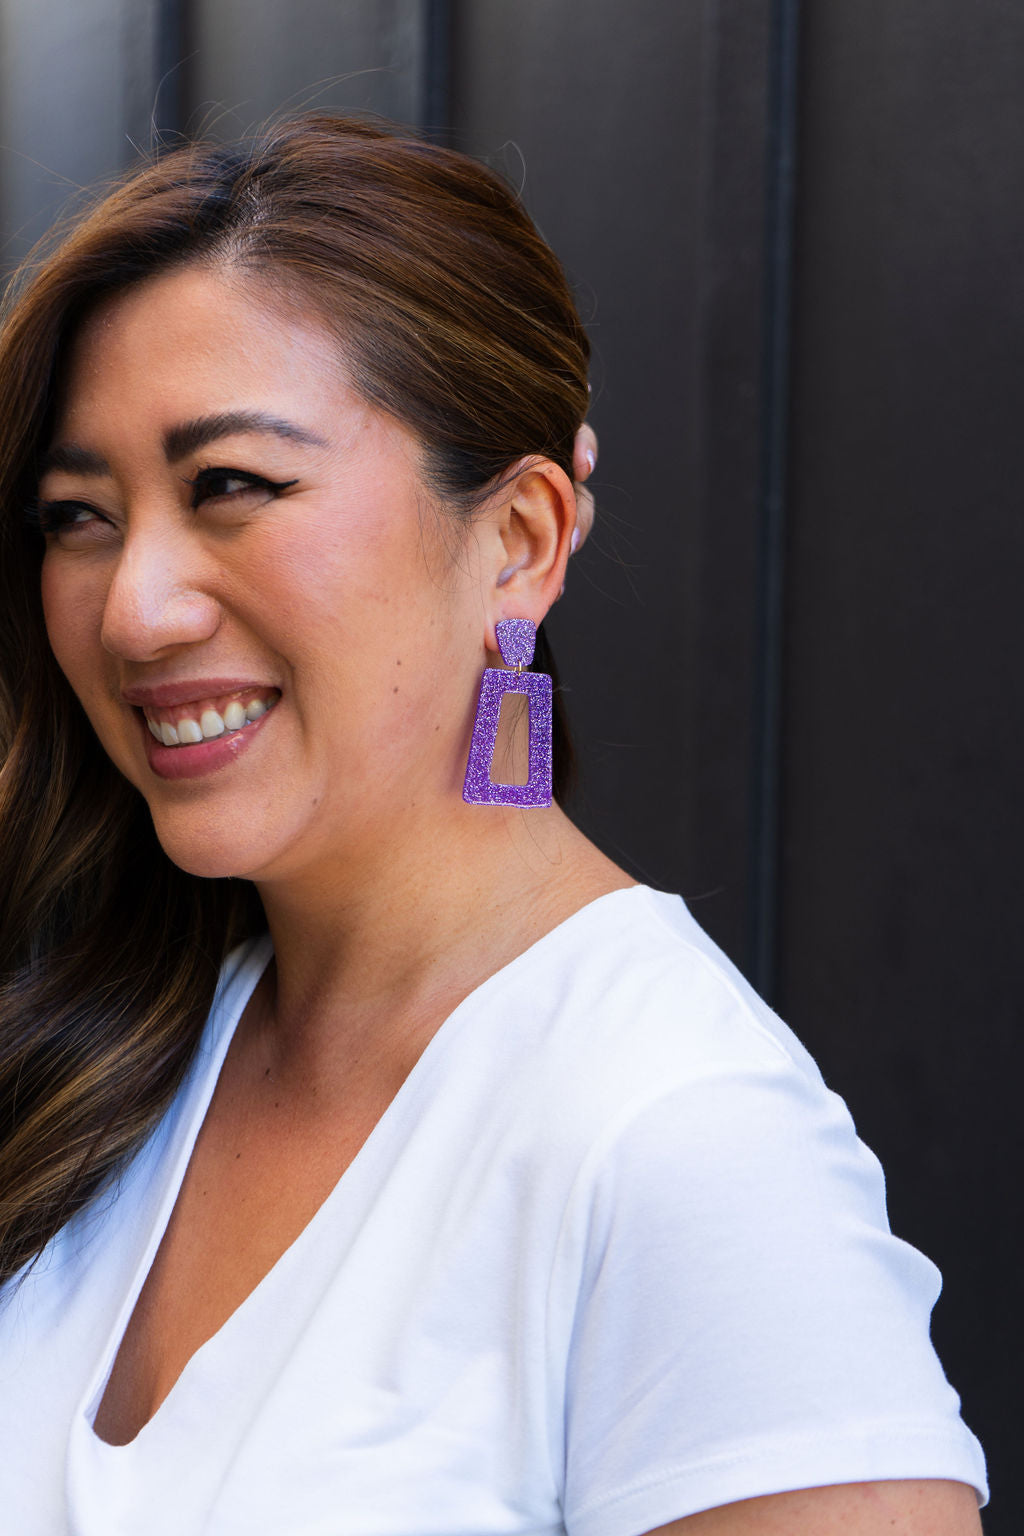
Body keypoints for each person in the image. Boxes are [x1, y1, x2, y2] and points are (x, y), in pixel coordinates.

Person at [0, 114, 986, 1535]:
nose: (134, 609)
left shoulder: (677, 1139)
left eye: (234, 487)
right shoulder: (111, 1052)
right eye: (78, 516)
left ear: (520, 541)